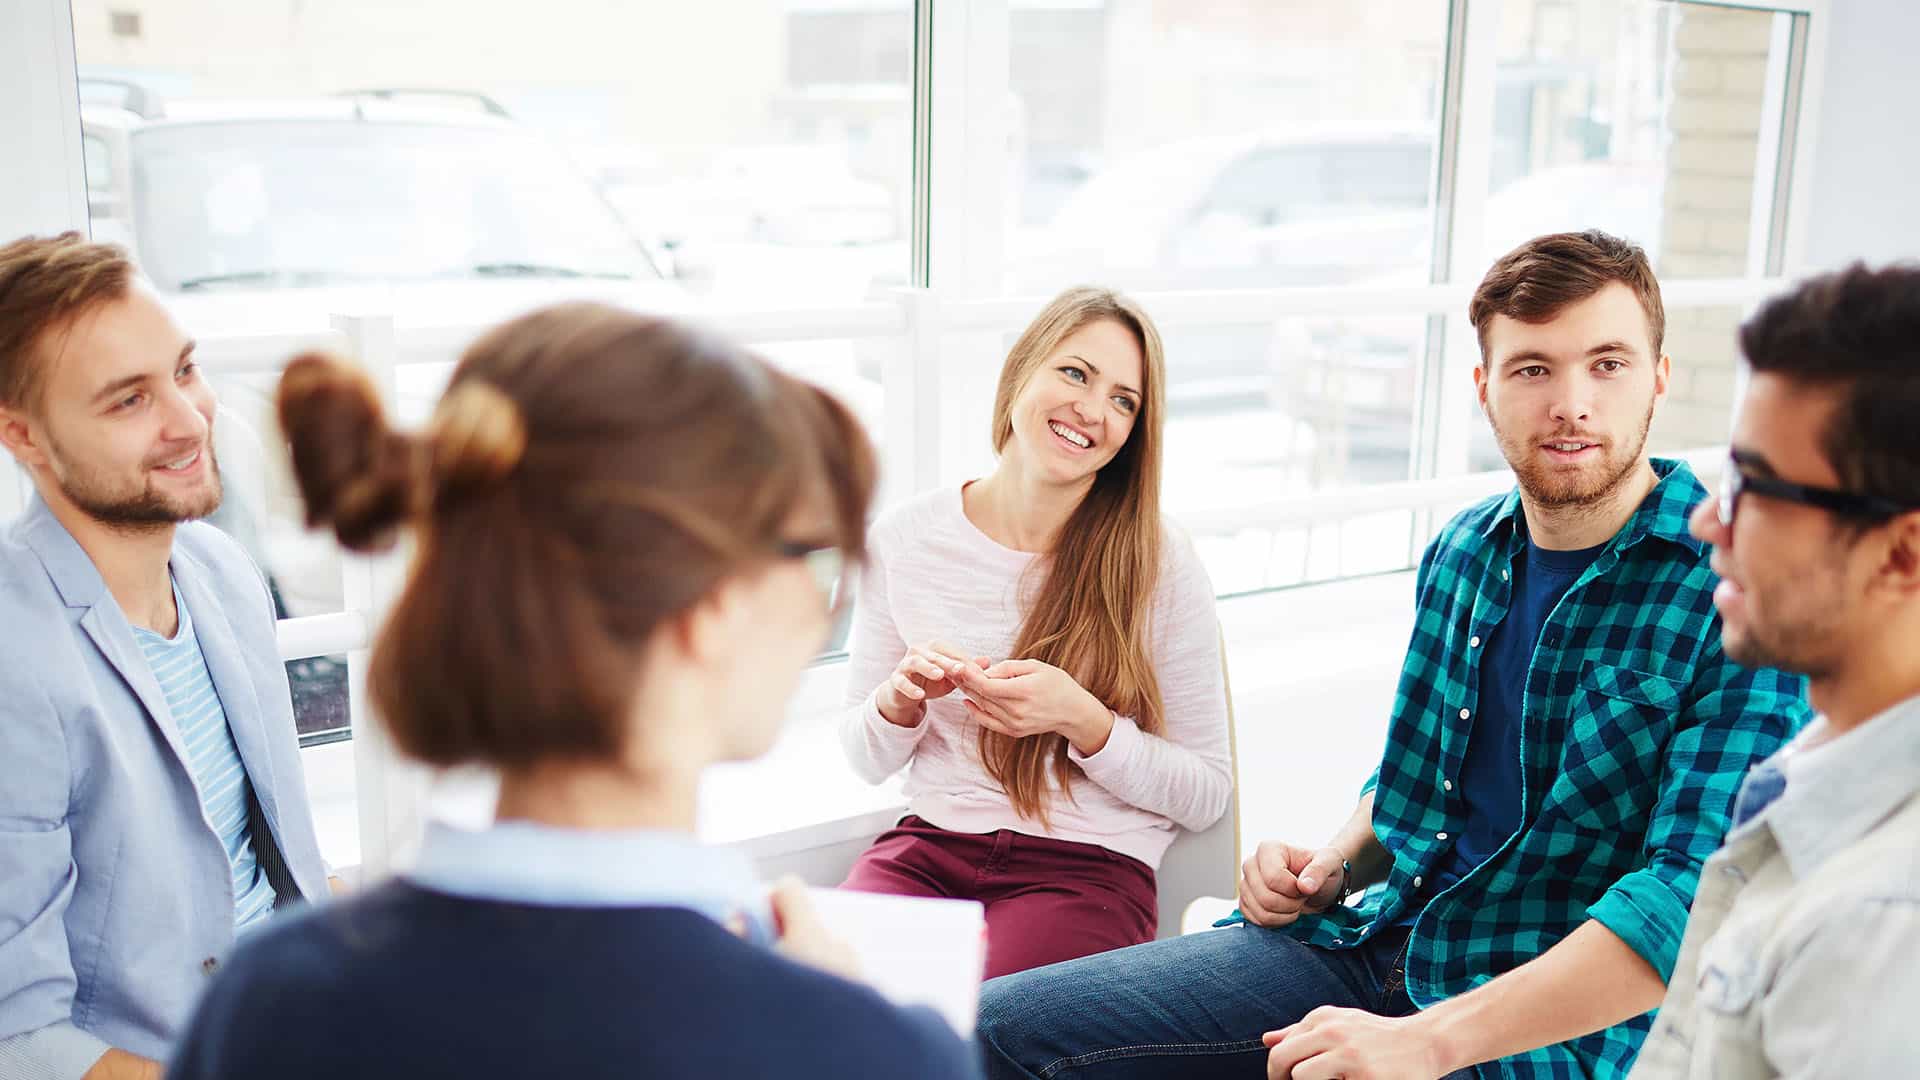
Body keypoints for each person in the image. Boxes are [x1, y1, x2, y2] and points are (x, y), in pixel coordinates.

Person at [975, 231, 1812, 1079]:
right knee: (997, 1028)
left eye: (1607, 365)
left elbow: (1688, 899)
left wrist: (1426, 1042)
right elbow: (1412, 786)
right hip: (1373, 946)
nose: (1572, 403)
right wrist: (1328, 868)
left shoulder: (1740, 598)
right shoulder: (1462, 552)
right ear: (1485, 389)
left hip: (1542, 1028)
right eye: (1532, 370)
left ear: (1658, 379)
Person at [167, 304, 983, 1080]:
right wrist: (832, 1018)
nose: (826, 603)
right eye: (818, 560)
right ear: (711, 611)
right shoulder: (867, 1053)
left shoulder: (266, 1001)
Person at [0, 233, 331, 1080]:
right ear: (25, 438)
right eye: (128, 401)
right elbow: (20, 1038)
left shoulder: (220, 572)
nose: (190, 421)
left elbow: (278, 874)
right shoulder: (14, 662)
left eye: (184, 371)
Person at [837, 286, 1233, 978]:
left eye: (1123, 400)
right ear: (1022, 370)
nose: (1091, 409)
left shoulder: (1159, 562)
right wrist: (898, 702)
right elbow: (865, 758)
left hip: (1087, 873)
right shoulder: (905, 539)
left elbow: (1206, 792)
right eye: (1076, 373)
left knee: (991, 1032)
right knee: (821, 1006)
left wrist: (1086, 723)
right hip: (930, 851)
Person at [1628, 263, 1920, 1077]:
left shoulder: (1882, 928)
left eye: (1754, 488)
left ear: (1902, 551)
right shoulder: (1820, 764)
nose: (1708, 519)